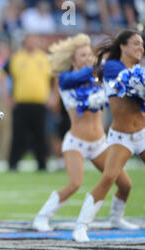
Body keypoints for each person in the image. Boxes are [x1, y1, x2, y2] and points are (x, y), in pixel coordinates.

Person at [32, 33, 135, 234]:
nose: (87, 59)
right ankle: (41, 218)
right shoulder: (65, 79)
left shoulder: (97, 77)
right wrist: (101, 63)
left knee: (125, 184)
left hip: (100, 144)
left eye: (89, 55)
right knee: (74, 183)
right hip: (76, 142)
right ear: (72, 59)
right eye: (82, 55)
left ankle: (116, 218)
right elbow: (79, 76)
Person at [72, 30, 144, 242]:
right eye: (136, 43)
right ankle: (81, 227)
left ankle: (116, 218)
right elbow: (129, 84)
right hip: (122, 136)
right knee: (109, 178)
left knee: (127, 186)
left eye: (142, 44)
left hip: (142, 132)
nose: (141, 48)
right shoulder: (113, 67)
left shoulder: (139, 70)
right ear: (123, 46)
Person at [0, 33, 55, 171]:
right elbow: (1, 75)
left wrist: (54, 97)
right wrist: (6, 97)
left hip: (40, 103)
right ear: (24, 42)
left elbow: (56, 78)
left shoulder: (45, 58)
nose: (32, 43)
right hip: (21, 103)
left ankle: (42, 164)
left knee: (41, 135)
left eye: (35, 40)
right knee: (18, 135)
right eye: (30, 40)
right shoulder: (16, 58)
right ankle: (13, 164)